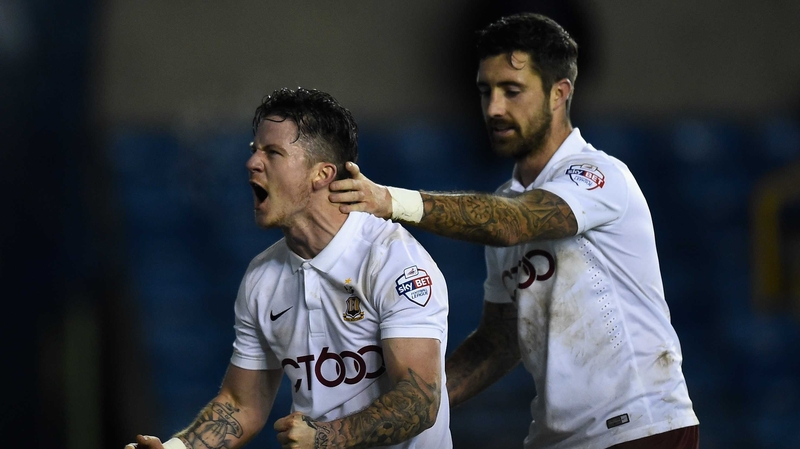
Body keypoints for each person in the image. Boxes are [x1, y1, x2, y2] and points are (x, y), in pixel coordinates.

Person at [329, 12, 700, 449]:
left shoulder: (598, 176)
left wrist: (391, 202)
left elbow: (512, 223)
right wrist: (406, 409)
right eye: (486, 91)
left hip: (638, 428)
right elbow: (499, 342)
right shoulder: (506, 199)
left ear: (559, 93)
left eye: (512, 90)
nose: (493, 109)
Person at [125, 87, 452, 449]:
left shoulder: (393, 258)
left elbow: (420, 400)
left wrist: (328, 437)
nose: (252, 163)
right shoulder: (262, 277)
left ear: (321, 174)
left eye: (273, 153)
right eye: (254, 151)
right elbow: (241, 404)